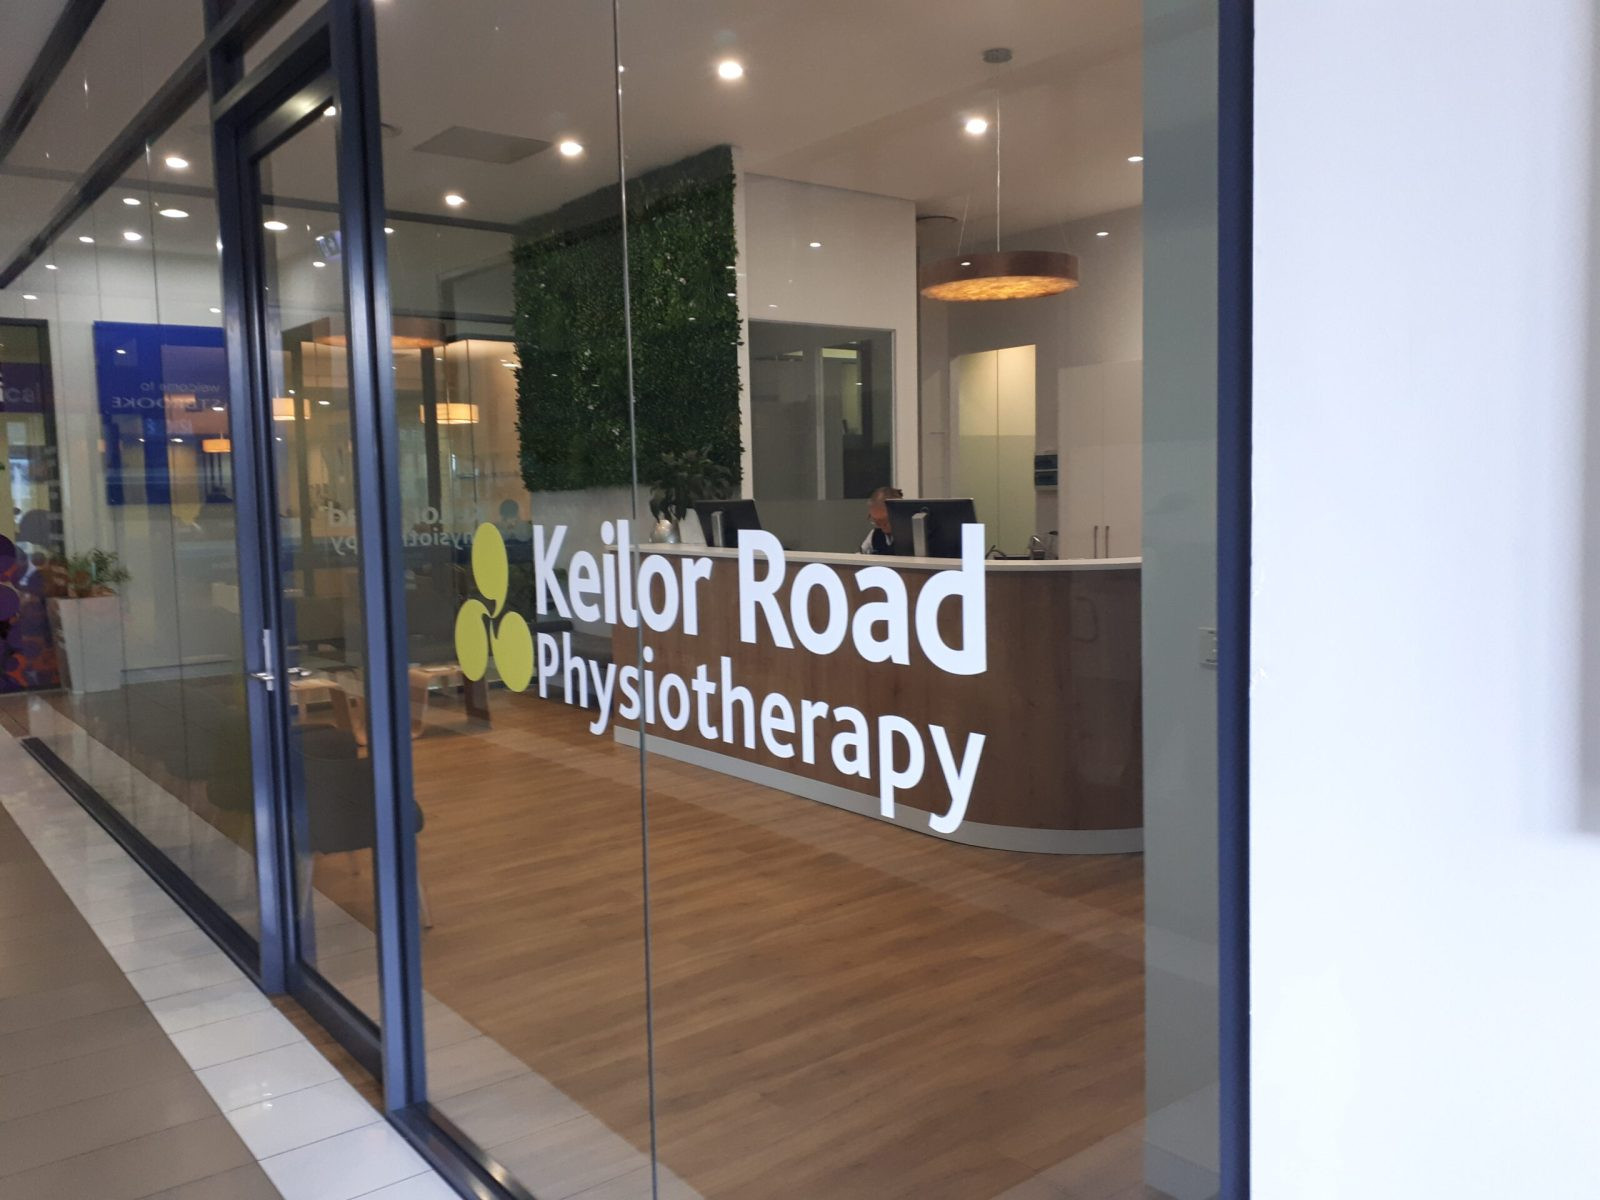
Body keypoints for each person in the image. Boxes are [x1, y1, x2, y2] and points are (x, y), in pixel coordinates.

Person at [860, 485, 903, 554]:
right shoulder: (875, 535)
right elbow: (861, 556)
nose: (882, 526)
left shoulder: (915, 536)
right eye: (876, 522)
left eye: (885, 521)